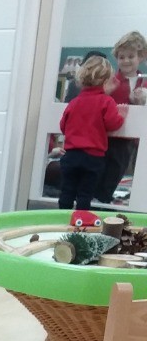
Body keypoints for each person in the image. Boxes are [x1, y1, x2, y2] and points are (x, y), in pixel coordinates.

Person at [58, 54, 125, 211]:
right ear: (105, 80)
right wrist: (122, 116)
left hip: (72, 155)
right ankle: (81, 220)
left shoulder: (74, 102)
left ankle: (61, 217)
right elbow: (112, 123)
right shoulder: (106, 101)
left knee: (67, 190)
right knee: (85, 193)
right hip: (93, 157)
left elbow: (63, 126)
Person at [95, 29, 147, 204]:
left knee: (117, 172)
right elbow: (96, 102)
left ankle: (104, 200)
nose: (125, 61)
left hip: (129, 139)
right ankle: (100, 203)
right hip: (106, 136)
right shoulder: (110, 80)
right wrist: (105, 93)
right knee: (100, 174)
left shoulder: (144, 82)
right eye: (121, 57)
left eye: (131, 56)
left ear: (141, 57)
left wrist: (141, 102)